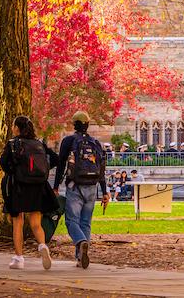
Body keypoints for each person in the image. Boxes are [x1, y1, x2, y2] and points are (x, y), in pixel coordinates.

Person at [0, 115, 60, 270]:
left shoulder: (13, 144)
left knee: (17, 222)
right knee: (35, 223)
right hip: (38, 186)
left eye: (13, 126)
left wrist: (15, 171)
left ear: (17, 128)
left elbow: (3, 162)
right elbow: (55, 159)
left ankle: (19, 258)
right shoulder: (39, 144)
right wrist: (42, 170)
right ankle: (42, 245)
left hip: (18, 187)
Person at [53, 110, 110, 269]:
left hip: (75, 185)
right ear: (87, 125)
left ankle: (80, 242)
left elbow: (61, 165)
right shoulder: (95, 143)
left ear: (74, 125)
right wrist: (104, 191)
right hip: (92, 186)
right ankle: (80, 256)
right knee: (86, 222)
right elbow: (101, 168)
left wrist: (56, 186)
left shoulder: (69, 141)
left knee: (71, 220)